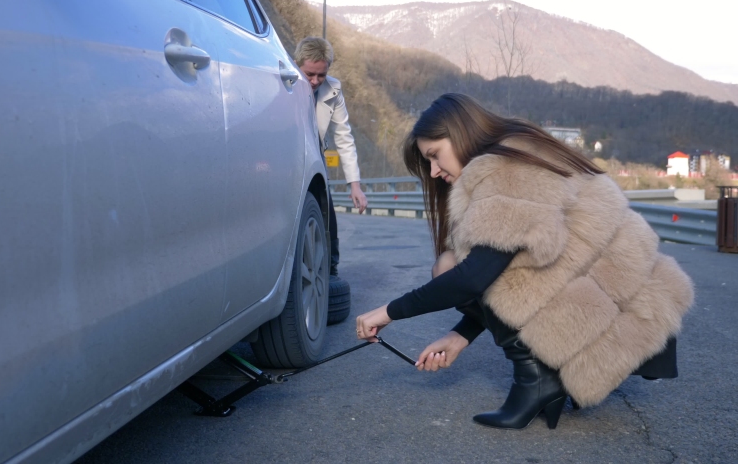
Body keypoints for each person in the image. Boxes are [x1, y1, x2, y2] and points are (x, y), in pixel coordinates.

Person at [355, 93, 693, 430]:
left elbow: (475, 278)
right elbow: (494, 268)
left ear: (460, 133)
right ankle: (542, 378)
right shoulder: (508, 154)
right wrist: (460, 336)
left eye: (435, 155)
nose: (433, 171)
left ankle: (537, 380)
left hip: (627, 313)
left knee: (451, 268)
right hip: (604, 298)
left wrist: (387, 313)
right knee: (451, 263)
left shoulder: (509, 172)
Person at [295, 37, 368, 277]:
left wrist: (354, 186)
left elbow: (344, 137)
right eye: (309, 75)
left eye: (321, 76)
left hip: (315, 156)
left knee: (327, 214)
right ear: (297, 65)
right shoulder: (284, 82)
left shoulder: (333, 90)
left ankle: (330, 270)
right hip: (290, 157)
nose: (315, 81)